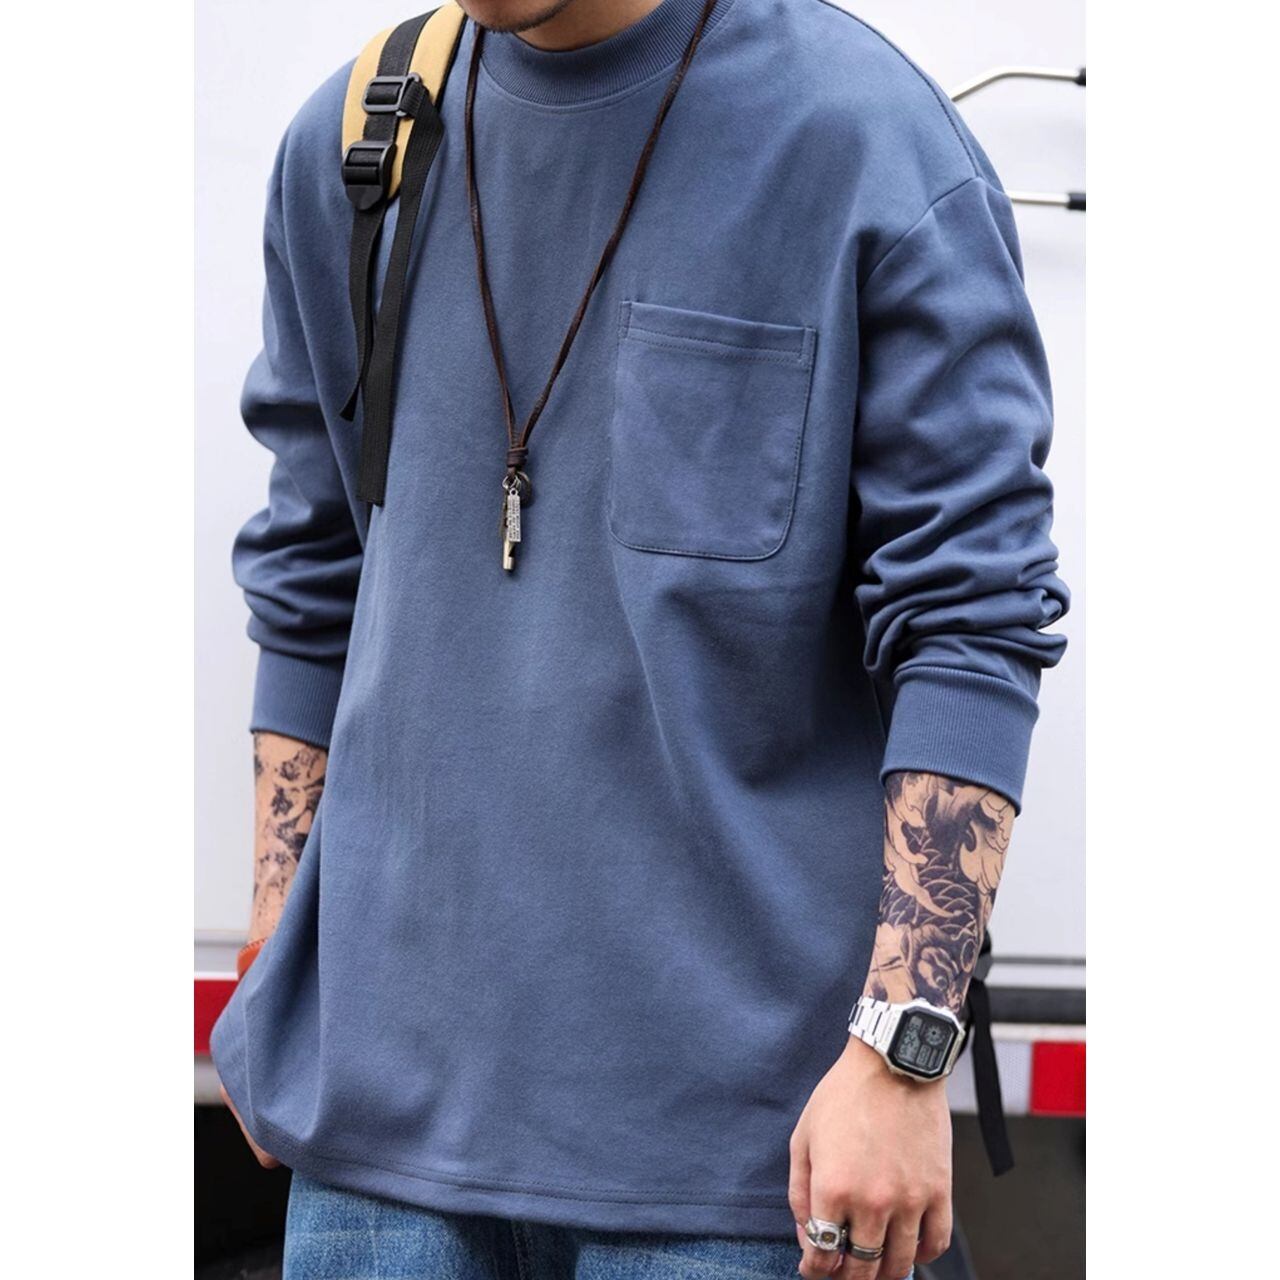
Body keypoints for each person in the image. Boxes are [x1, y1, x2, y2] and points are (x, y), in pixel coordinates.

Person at [210, 0, 1069, 1276]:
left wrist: (901, 1051)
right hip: (376, 1143)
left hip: (743, 1162)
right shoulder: (360, 140)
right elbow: (314, 568)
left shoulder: (862, 142)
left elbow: (969, 618)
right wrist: (277, 936)